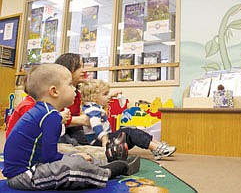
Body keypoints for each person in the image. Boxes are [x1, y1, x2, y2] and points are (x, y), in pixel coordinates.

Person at [3, 64, 139, 191]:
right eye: (70, 84)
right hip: (24, 176)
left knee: (75, 157)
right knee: (71, 166)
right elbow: (50, 157)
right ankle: (105, 173)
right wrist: (74, 157)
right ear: (54, 91)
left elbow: (48, 154)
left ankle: (100, 164)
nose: (75, 89)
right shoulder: (50, 116)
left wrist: (74, 155)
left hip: (34, 166)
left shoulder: (45, 112)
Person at [80, 79, 177, 160]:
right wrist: (104, 138)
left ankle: (157, 145)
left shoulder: (93, 106)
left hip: (105, 139)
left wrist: (111, 95)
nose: (108, 97)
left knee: (133, 131)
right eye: (105, 94)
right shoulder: (93, 109)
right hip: (99, 142)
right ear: (94, 98)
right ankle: (156, 148)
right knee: (129, 131)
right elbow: (95, 124)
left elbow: (102, 99)